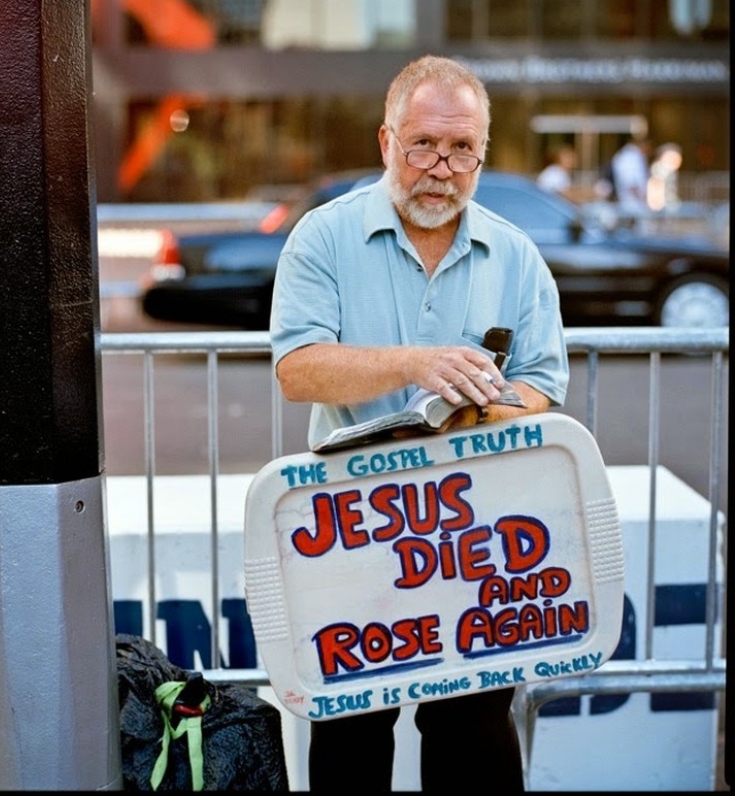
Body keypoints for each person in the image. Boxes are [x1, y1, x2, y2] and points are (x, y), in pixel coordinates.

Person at [269, 55, 569, 792]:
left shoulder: (516, 253)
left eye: (462, 148)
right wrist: (414, 364)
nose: (442, 166)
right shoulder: (321, 237)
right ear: (385, 141)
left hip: (471, 537)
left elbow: (542, 383)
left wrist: (483, 405)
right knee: (351, 731)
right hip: (349, 528)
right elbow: (296, 368)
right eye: (424, 144)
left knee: (472, 727)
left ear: (482, 153)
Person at [608, 134, 652, 212]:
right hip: (633, 201)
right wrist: (641, 196)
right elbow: (629, 181)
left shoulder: (634, 156)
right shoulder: (629, 157)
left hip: (634, 199)